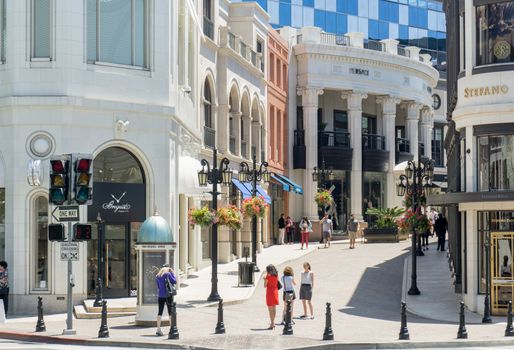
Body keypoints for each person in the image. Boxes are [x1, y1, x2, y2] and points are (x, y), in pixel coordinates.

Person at [155, 264, 177, 336]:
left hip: (160, 296)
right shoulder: (168, 274)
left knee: (160, 312)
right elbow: (174, 281)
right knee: (170, 312)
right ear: (168, 268)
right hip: (168, 296)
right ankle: (171, 329)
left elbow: (158, 286)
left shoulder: (158, 276)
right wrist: (172, 273)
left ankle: (158, 329)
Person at [264, 264, 279, 329]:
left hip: (270, 292)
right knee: (274, 308)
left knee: (270, 310)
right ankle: (273, 322)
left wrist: (264, 279)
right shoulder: (276, 275)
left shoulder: (268, 276)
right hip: (275, 292)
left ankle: (272, 323)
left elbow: (265, 285)